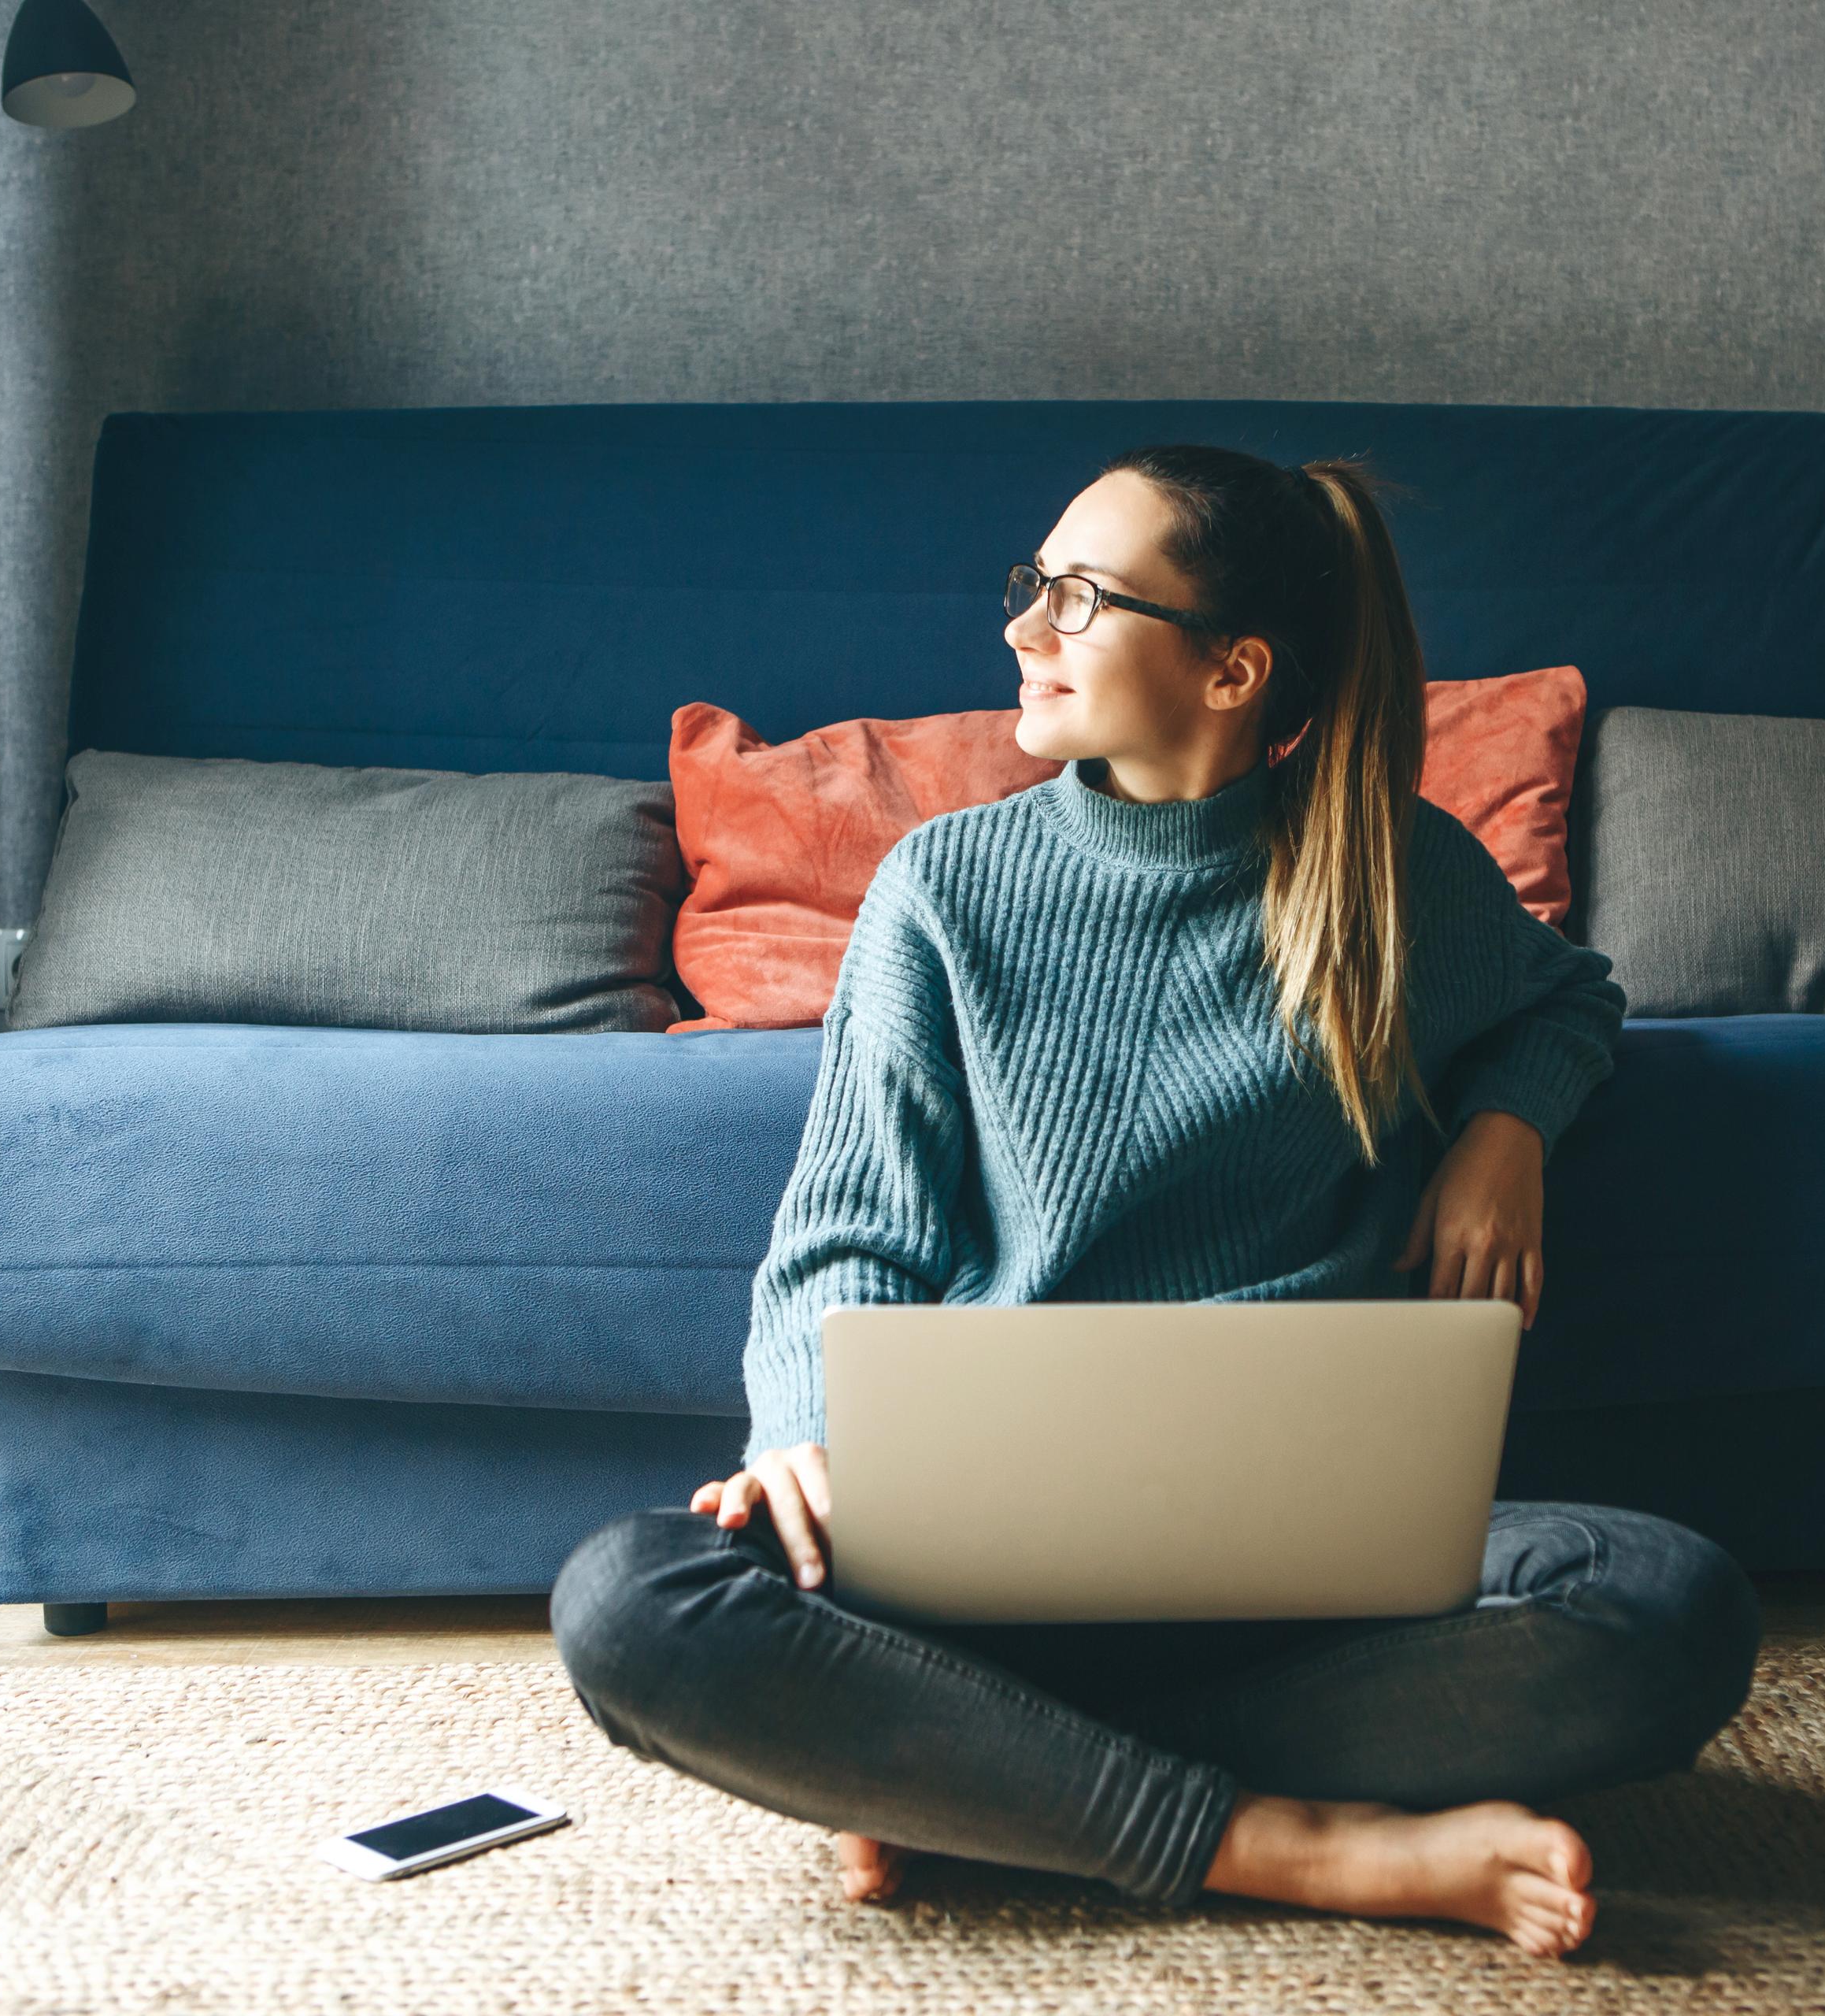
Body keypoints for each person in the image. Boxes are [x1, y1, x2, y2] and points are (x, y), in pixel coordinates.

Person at [550, 443, 1760, 1960]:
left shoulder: (1394, 884)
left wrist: (1508, 1128)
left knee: (1666, 1606)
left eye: (1078, 596)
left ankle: (982, 1779)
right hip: (974, 1569)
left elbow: (1570, 999)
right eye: (1030, 588)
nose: (1022, 629)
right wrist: (800, 1438)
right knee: (627, 1603)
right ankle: (1288, 1842)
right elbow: (850, 1228)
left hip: (1305, 1574)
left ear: (1234, 667)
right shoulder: (946, 890)